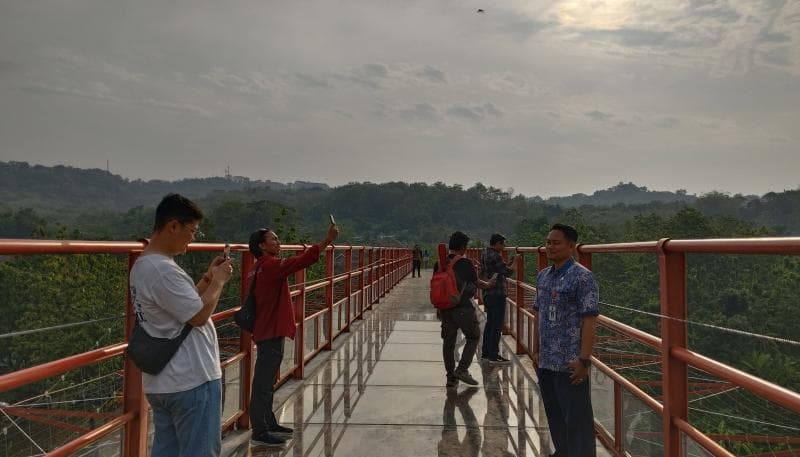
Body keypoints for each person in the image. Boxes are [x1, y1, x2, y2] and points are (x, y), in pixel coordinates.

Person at [129, 193, 234, 457]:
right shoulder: (163, 269)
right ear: (173, 225)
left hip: (163, 383)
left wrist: (208, 279)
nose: (193, 237)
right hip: (192, 379)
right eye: (192, 231)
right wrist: (220, 282)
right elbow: (197, 316)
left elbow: (180, 308)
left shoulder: (144, 266)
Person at [247, 222, 338, 446]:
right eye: (274, 239)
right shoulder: (270, 266)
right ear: (262, 246)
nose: (278, 242)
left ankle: (268, 422)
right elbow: (301, 261)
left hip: (265, 328)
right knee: (263, 382)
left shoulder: (256, 267)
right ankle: (259, 430)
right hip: (270, 330)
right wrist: (327, 240)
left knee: (266, 380)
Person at [532, 223, 599, 457]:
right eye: (548, 242)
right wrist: (536, 350)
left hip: (570, 363)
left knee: (577, 421)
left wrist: (584, 360)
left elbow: (589, 320)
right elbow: (537, 313)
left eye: (556, 242)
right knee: (555, 416)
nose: (550, 247)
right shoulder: (543, 277)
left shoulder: (583, 277)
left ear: (571, 246)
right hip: (547, 360)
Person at [436, 231, 495, 388]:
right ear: (463, 247)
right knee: (474, 336)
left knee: (448, 342)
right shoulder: (465, 263)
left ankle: (450, 377)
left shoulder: (440, 263)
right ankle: (462, 369)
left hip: (444, 308)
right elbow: (477, 283)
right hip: (462, 307)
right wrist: (489, 284)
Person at [480, 233, 516, 364]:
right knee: (496, 325)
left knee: (490, 324)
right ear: (497, 244)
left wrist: (509, 263)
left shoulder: (485, 253)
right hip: (497, 293)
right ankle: (493, 356)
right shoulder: (496, 255)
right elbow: (507, 272)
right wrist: (515, 263)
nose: (504, 246)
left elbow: (499, 268)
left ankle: (486, 353)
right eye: (503, 243)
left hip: (488, 293)